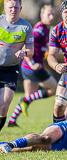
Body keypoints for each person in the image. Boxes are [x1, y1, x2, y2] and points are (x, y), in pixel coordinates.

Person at [5, 4, 56, 127]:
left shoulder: (45, 28)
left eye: (53, 14)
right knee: (55, 88)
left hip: (27, 69)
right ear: (41, 15)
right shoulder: (39, 30)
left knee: (29, 97)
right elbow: (25, 46)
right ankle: (25, 100)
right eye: (48, 14)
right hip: (33, 69)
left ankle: (11, 121)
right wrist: (32, 63)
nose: (51, 17)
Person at [0, 0, 34, 131]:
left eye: (16, 7)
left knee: (4, 106)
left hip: (10, 70)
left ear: (20, 8)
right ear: (5, 8)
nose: (13, 9)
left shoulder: (26, 27)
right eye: (10, 7)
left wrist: (24, 52)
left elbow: (31, 50)